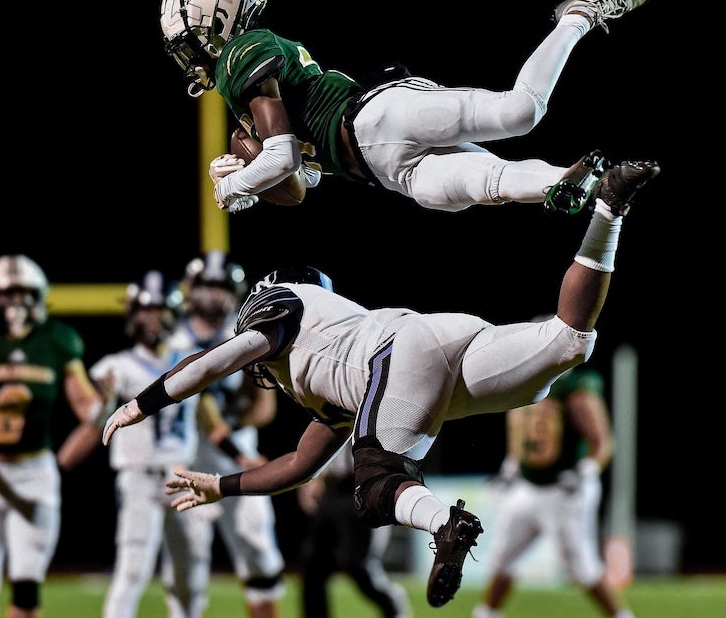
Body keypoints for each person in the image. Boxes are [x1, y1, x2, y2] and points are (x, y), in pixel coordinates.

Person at [102, 159, 660, 609]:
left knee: (375, 485)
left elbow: (214, 360)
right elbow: (298, 467)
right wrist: (218, 486)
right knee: (567, 342)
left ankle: (448, 522)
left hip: (396, 358)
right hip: (436, 346)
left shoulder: (281, 310)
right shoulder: (327, 371)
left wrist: (141, 402)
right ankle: (610, 208)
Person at [159, 0, 651, 216]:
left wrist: (233, 184)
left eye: (184, 42)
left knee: (519, 112)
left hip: (376, 114)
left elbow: (284, 157)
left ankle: (580, 16)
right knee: (491, 184)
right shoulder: (246, 104)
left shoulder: (244, 51)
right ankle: (581, 182)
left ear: (210, 14)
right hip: (383, 170)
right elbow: (301, 183)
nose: (187, 56)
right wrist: (248, 181)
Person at [0, 254, 108, 618]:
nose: (16, 304)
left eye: (25, 294)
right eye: (6, 294)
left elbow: (86, 408)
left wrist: (107, 402)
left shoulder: (57, 339)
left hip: (33, 472)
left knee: (27, 589)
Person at [165, 252, 286, 618]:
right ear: (190, 291)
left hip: (238, 452)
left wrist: (233, 425)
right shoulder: (171, 338)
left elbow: (264, 407)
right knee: (186, 566)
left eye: (220, 287)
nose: (213, 296)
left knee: (260, 553)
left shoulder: (247, 334)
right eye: (206, 286)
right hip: (186, 456)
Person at [471, 363, 635, 618]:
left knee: (582, 565)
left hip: (564, 489)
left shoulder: (573, 390)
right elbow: (519, 436)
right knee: (502, 555)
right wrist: (510, 469)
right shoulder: (522, 386)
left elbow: (602, 441)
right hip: (526, 487)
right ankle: (486, 613)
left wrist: (587, 469)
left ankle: (621, 615)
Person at [97, 270, 211, 618]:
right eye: (145, 310)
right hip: (139, 478)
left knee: (190, 575)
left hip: (182, 476)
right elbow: (92, 414)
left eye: (159, 310)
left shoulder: (190, 358)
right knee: (133, 570)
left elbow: (211, 418)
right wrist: (100, 403)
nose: (152, 319)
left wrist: (241, 455)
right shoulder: (114, 367)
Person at [297, 443, 410, 618]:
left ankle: (391, 603)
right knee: (314, 566)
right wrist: (314, 477)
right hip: (332, 488)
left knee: (360, 565)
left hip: (366, 484)